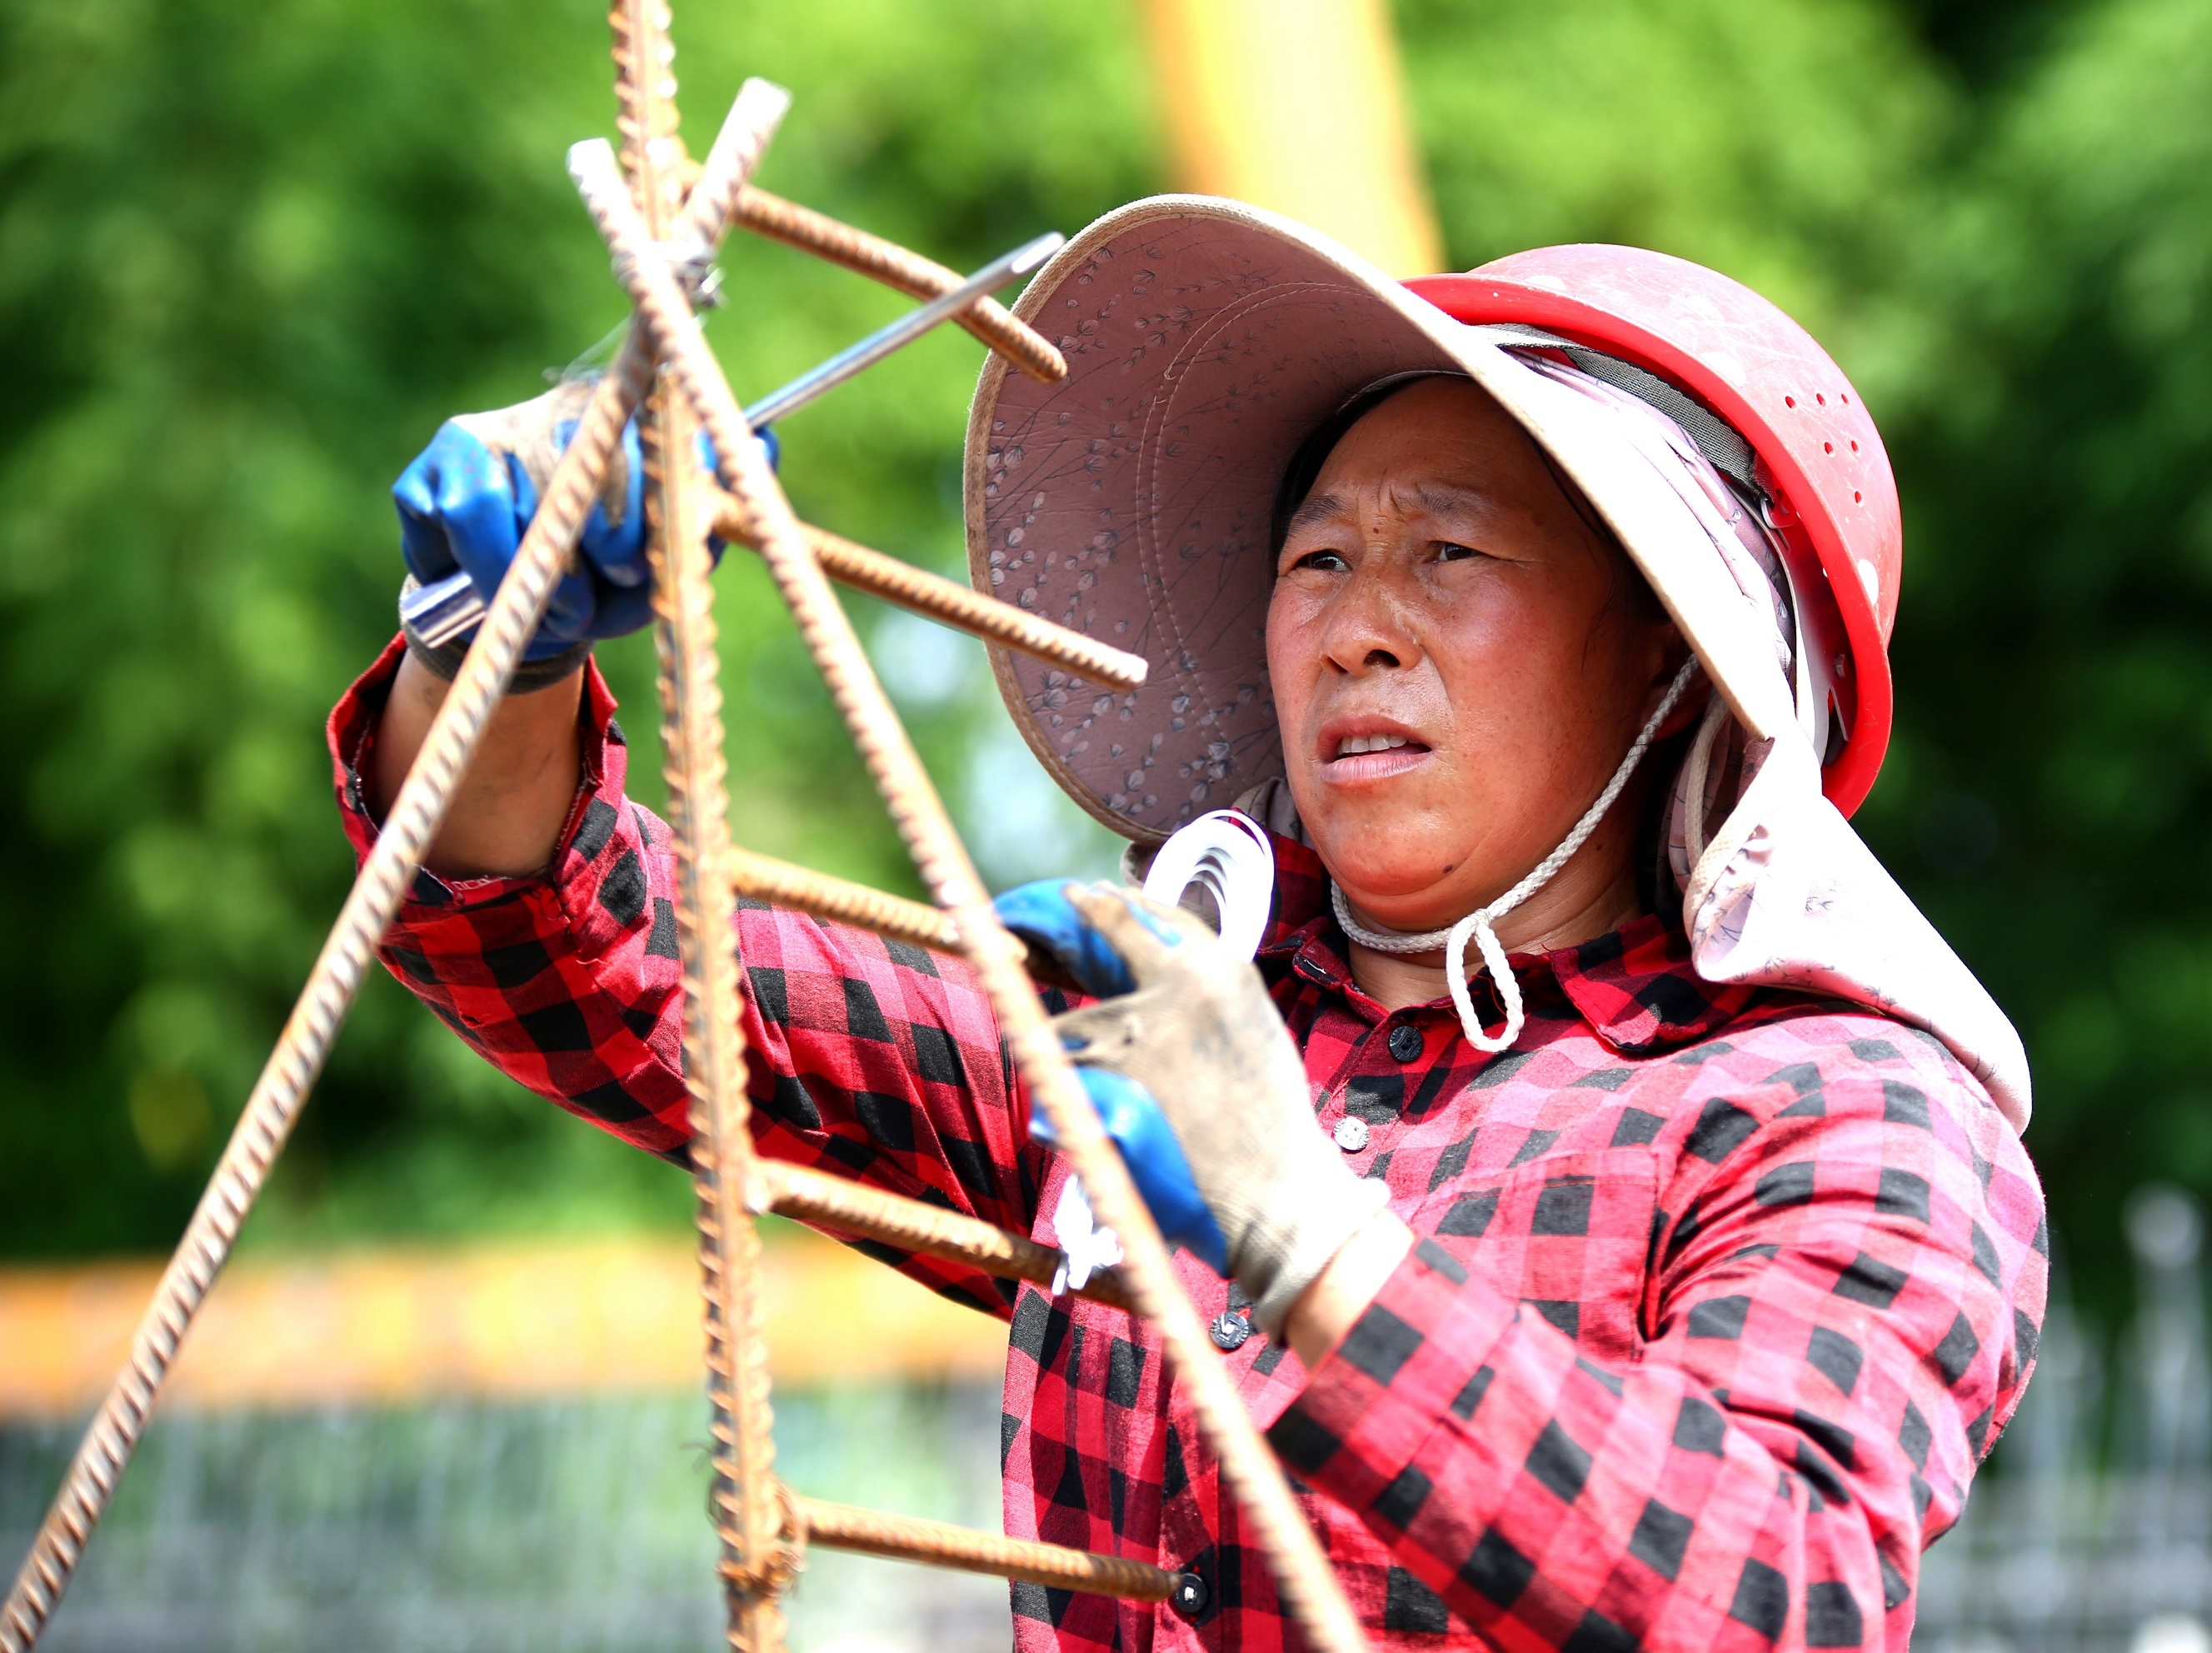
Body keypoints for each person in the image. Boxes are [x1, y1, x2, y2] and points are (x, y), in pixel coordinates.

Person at [337, 197, 2045, 1653]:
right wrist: (494, 643)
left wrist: (1307, 1231)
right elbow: (600, 963)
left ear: (1677, 662)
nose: (1354, 628)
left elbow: (1775, 1588)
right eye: (1316, 561)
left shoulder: (1847, 1111)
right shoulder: (1147, 1028)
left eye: (1448, 552)